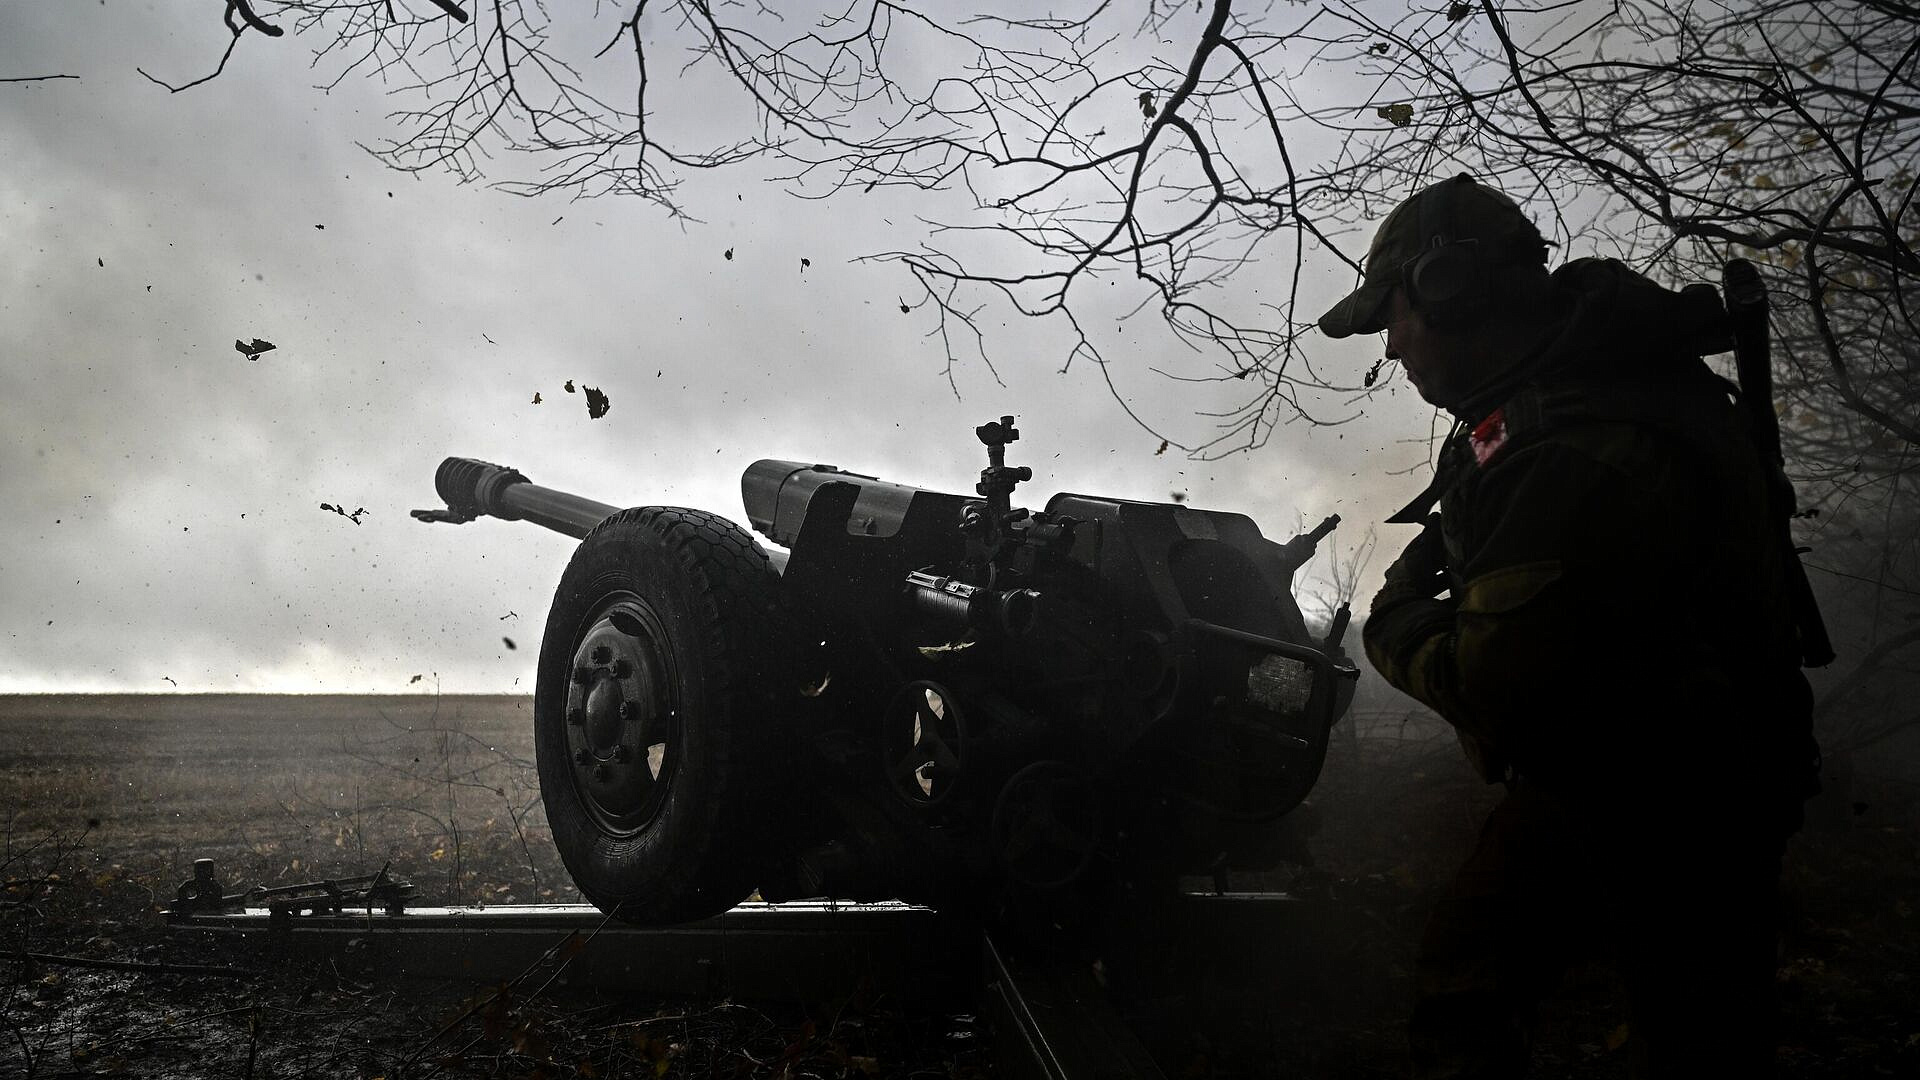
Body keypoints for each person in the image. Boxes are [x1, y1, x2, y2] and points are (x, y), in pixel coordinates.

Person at [1318, 175, 1820, 1078]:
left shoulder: (1570, 443)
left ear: (1447, 291)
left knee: (1470, 1000)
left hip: (1652, 787)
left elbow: (1496, 689)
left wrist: (1392, 620)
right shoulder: (1602, 380)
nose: (1391, 348)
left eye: (1392, 316)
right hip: (1692, 758)